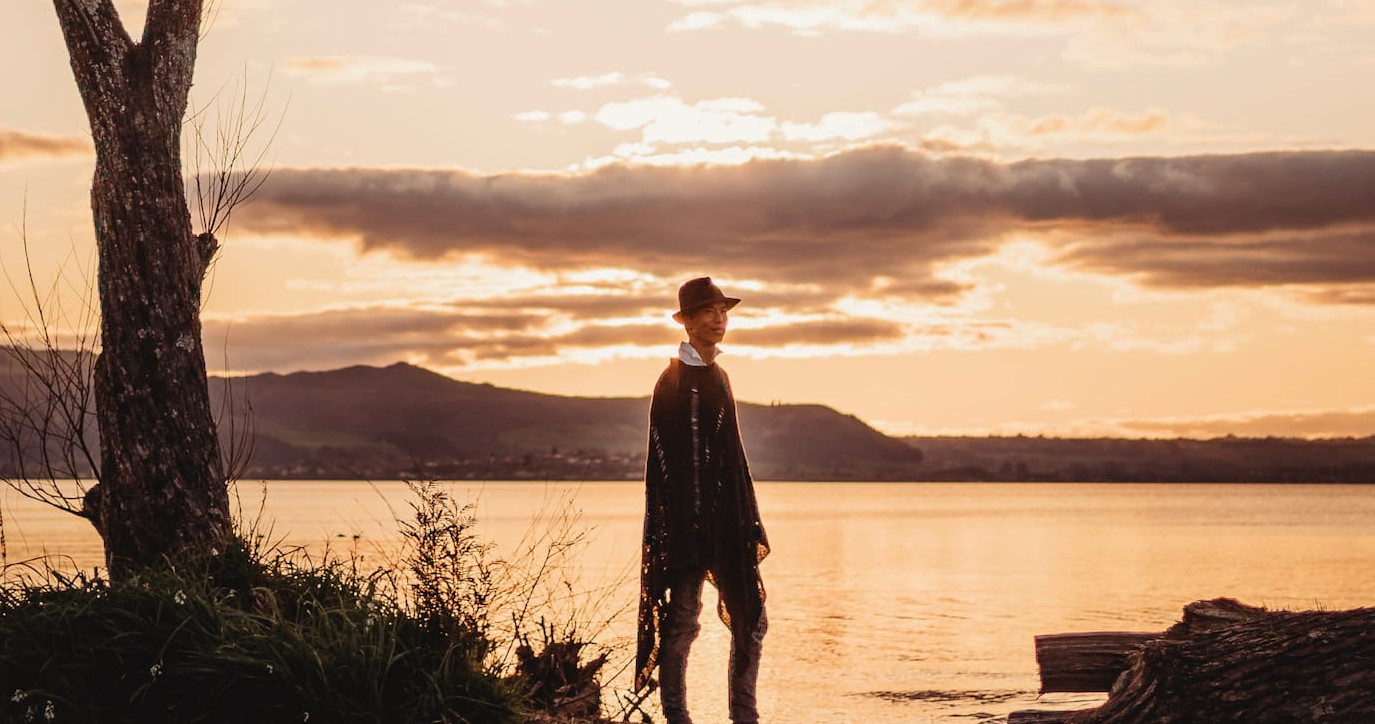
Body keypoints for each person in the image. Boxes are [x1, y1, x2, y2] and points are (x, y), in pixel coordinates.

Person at [635, 276, 770, 724]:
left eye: (723, 312)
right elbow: (670, 465)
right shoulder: (672, 382)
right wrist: (689, 526)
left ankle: (744, 716)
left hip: (725, 520)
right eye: (708, 312)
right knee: (683, 620)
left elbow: (728, 457)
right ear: (688, 322)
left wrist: (743, 517)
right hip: (687, 526)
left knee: (750, 619)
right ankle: (677, 717)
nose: (719, 319)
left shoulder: (719, 376)